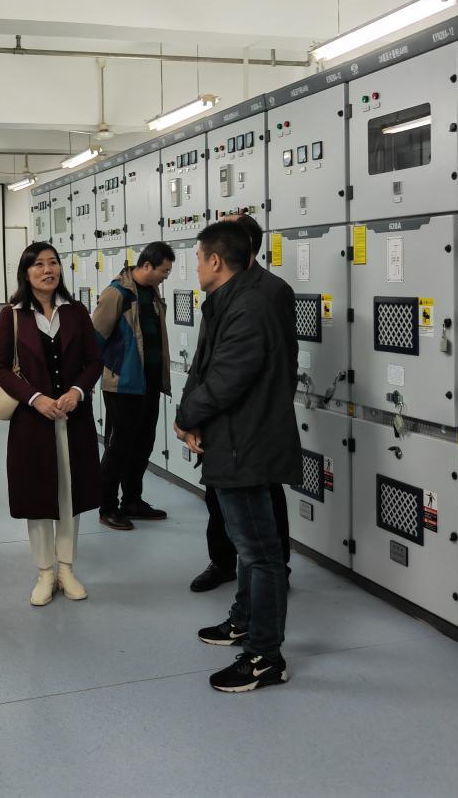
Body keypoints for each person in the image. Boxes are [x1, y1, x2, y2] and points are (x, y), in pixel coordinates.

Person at [174, 221, 299, 692]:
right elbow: (206, 365)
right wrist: (190, 417)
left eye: (197, 258)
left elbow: (229, 376)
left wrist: (188, 416)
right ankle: (244, 621)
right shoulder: (231, 297)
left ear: (214, 261)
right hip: (233, 438)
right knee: (248, 546)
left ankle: (266, 657)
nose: (195, 267)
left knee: (261, 554)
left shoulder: (253, 302)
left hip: (245, 443)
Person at [0, 243, 103, 606]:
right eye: (38, 264)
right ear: (26, 272)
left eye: (53, 263)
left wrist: (76, 391)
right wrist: (35, 398)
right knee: (38, 495)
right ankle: (44, 572)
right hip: (32, 421)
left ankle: (66, 568)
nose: (47, 270)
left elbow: (94, 361)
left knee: (70, 494)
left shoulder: (76, 311)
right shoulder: (12, 315)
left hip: (73, 418)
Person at [190, 213, 294, 593]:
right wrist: (192, 415)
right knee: (217, 498)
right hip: (219, 423)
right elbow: (204, 358)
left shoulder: (270, 292)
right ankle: (222, 562)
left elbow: (277, 363)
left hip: (252, 426)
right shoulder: (221, 291)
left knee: (264, 501)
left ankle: (273, 572)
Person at [92, 242, 175, 530]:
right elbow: (95, 338)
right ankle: (107, 507)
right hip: (123, 385)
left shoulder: (152, 292)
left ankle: (132, 501)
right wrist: (106, 373)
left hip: (149, 383)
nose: (166, 276)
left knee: (142, 444)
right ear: (147, 265)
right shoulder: (117, 293)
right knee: (118, 448)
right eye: (164, 270)